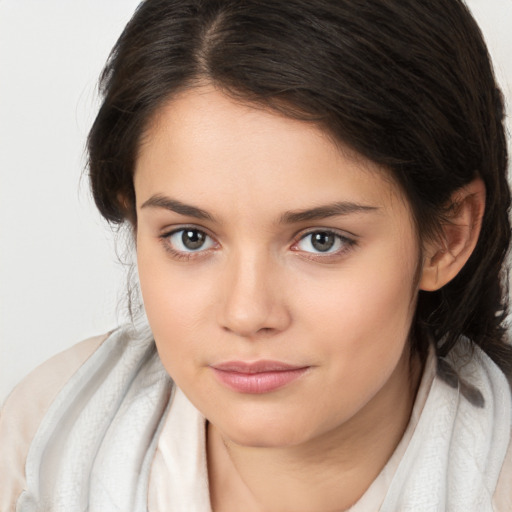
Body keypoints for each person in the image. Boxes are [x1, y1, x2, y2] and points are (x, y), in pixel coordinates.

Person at [1, 0, 511, 510]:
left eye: (321, 240)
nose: (247, 314)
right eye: (191, 237)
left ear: (448, 236)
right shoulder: (42, 438)